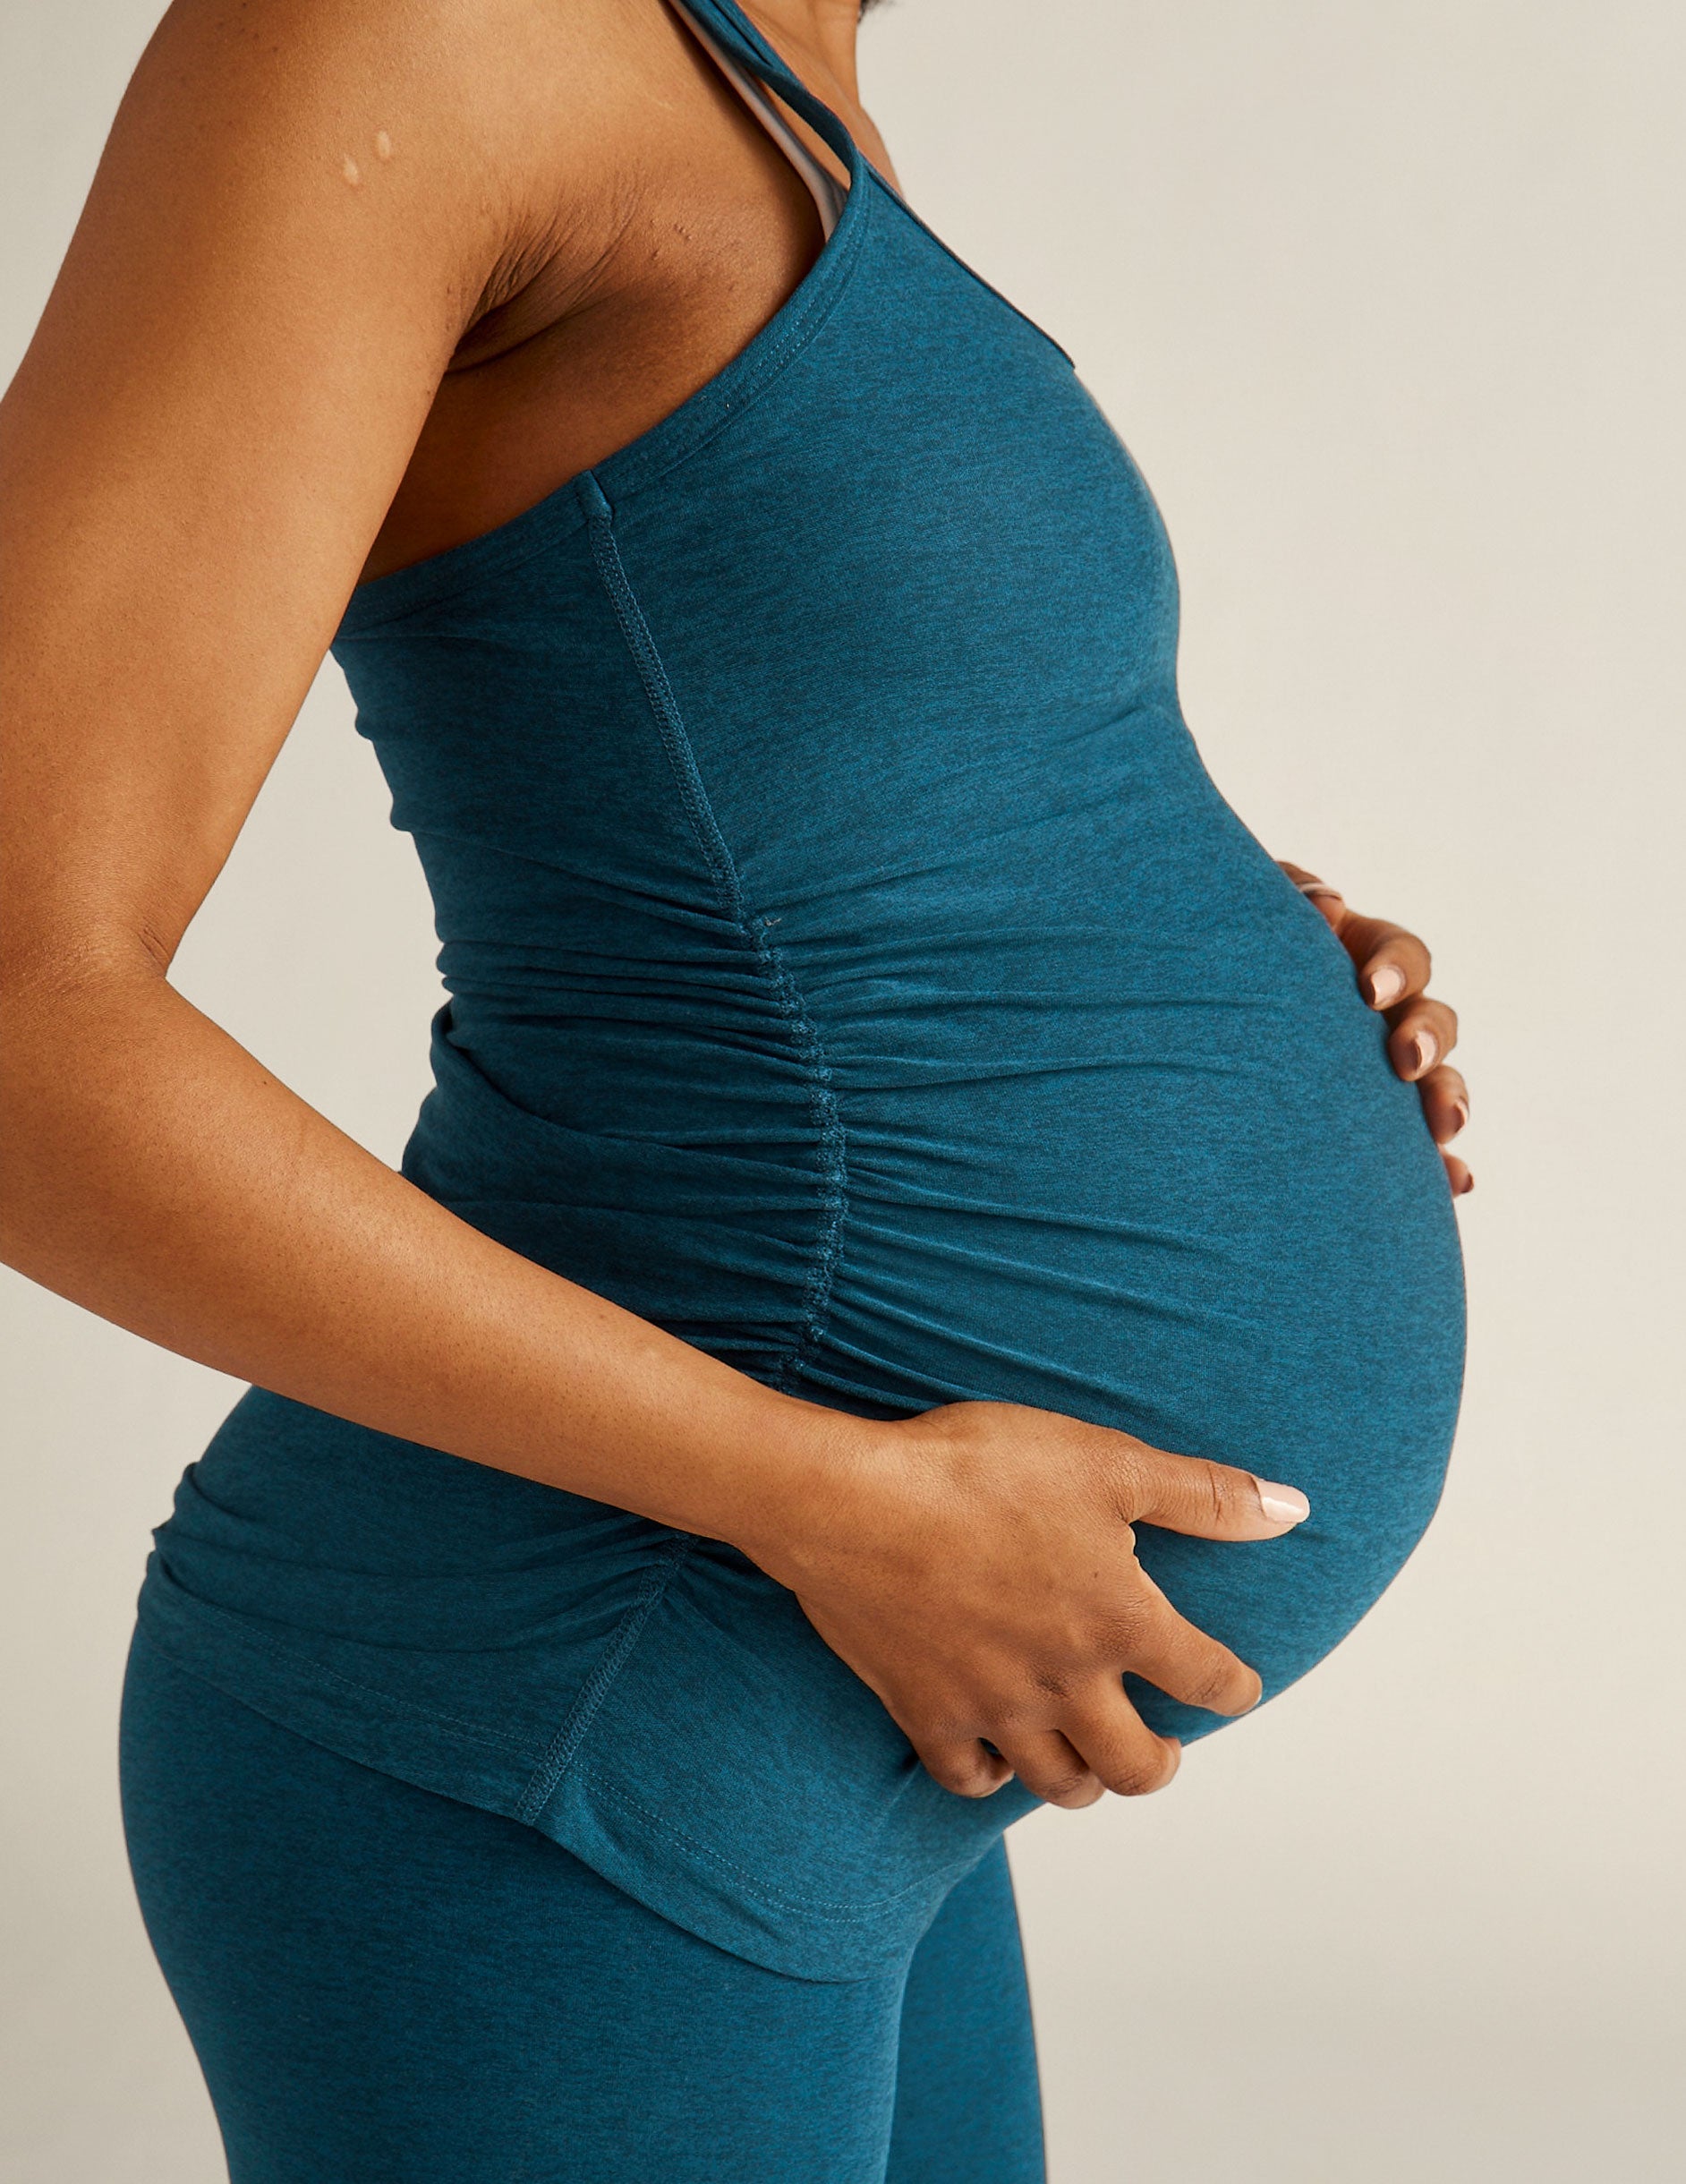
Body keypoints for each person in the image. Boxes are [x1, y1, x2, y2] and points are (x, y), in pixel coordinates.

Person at [0, 1, 1469, 2177]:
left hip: (832, 1704)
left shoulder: (779, 67)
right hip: (579, 1708)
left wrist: (1168, 964)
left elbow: (750, 763)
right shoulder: (407, 37)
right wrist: (822, 1492)